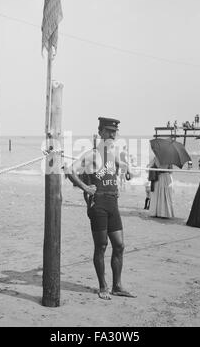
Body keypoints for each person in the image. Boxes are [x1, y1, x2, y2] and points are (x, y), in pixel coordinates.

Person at [67, 117, 136, 300]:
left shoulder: (113, 155)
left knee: (119, 245)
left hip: (113, 203)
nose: (112, 135)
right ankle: (103, 286)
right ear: (100, 133)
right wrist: (86, 188)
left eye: (114, 132)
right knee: (102, 245)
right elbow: (69, 170)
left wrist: (128, 170)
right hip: (98, 204)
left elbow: (125, 168)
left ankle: (117, 286)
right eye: (109, 131)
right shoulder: (90, 155)